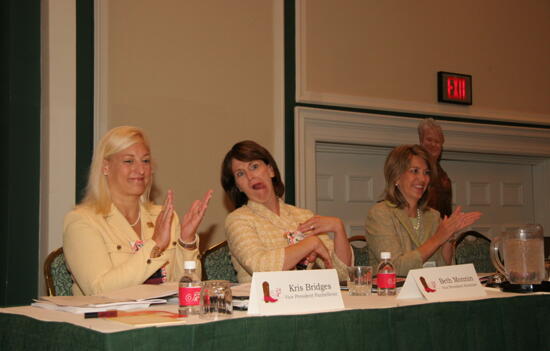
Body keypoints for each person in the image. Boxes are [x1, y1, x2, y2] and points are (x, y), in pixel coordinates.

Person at [63, 126, 213, 295]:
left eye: (145, 161)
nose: (141, 170)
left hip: (162, 318)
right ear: (106, 167)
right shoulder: (82, 221)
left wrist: (187, 242)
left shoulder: (164, 217)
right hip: (109, 318)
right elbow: (99, 290)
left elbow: (186, 291)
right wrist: (154, 245)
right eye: (129, 161)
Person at [221, 140, 352, 283]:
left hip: (306, 300)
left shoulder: (304, 216)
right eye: (240, 174)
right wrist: (310, 244)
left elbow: (342, 275)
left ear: (270, 170)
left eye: (254, 166)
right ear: (238, 186)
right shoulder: (237, 220)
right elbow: (261, 268)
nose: (250, 176)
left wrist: (338, 228)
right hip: (263, 302)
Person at [364, 144, 481, 276]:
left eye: (426, 173)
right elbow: (395, 267)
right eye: (414, 171)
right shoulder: (380, 214)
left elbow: (445, 267)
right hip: (392, 293)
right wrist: (438, 238)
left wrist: (448, 236)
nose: (422, 179)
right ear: (396, 176)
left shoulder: (433, 216)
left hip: (432, 291)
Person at [418, 118, 452, 218]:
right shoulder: (411, 169)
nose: (433, 144)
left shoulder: (444, 178)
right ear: (421, 140)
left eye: (437, 142)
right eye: (429, 139)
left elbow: (446, 214)